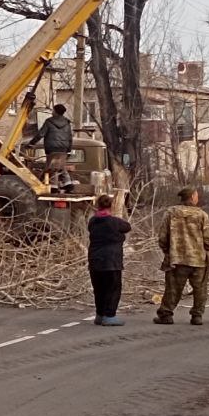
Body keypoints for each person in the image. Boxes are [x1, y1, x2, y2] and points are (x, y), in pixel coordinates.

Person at [154, 186, 209, 326]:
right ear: (193, 197)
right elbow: (208, 237)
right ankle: (197, 316)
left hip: (177, 258)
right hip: (198, 259)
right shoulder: (201, 215)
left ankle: (166, 314)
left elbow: (162, 237)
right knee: (200, 289)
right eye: (196, 195)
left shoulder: (171, 213)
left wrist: (168, 251)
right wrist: (208, 250)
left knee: (173, 289)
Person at [87, 194, 130, 326]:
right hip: (111, 261)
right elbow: (127, 227)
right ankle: (109, 315)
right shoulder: (115, 222)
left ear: (97, 206)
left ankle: (99, 314)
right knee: (112, 288)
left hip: (95, 260)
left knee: (99, 289)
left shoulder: (92, 221)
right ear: (111, 206)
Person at [26, 103, 77, 192]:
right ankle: (68, 184)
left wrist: (31, 143)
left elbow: (40, 134)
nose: (52, 112)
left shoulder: (49, 122)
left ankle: (54, 187)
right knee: (60, 166)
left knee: (52, 168)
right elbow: (70, 137)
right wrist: (68, 150)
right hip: (63, 149)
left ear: (56, 112)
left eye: (53, 110)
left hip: (52, 148)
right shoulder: (67, 123)